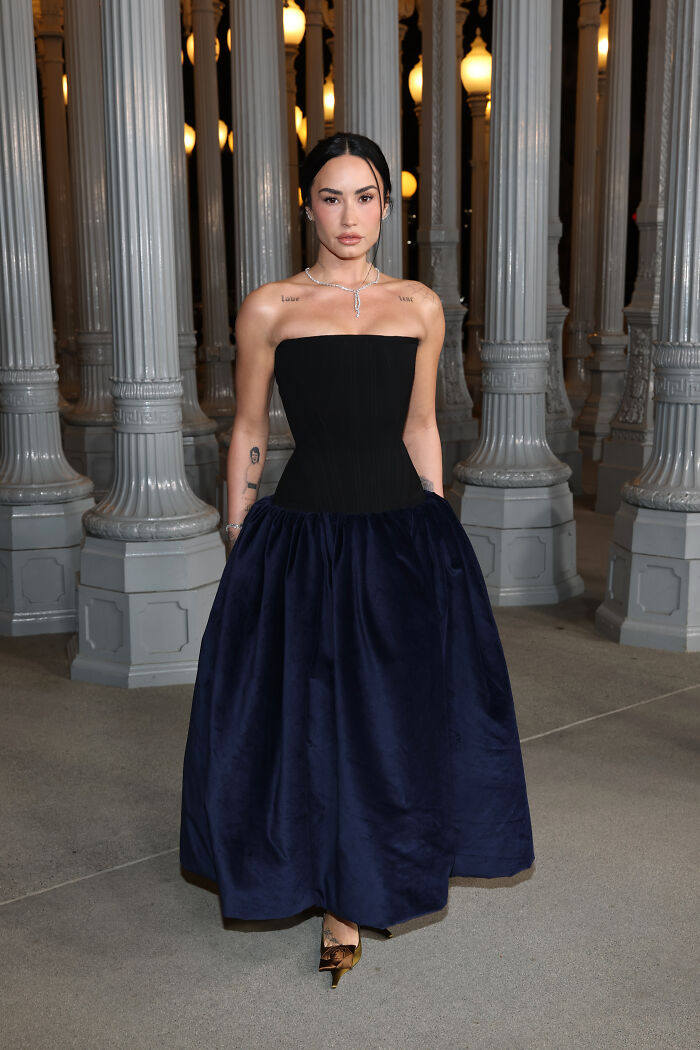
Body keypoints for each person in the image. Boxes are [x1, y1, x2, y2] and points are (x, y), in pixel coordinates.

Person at [180, 131, 534, 989]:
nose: (349, 215)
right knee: (310, 717)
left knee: (392, 719)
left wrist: (437, 528)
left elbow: (420, 424)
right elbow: (253, 429)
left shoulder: (418, 305)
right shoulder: (272, 307)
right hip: (302, 539)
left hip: (398, 537)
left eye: (365, 196)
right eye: (331, 197)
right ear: (307, 205)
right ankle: (326, 887)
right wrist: (238, 535)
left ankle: (365, 883)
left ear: (387, 206)